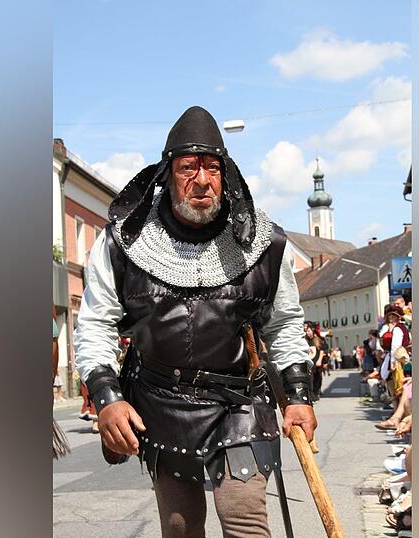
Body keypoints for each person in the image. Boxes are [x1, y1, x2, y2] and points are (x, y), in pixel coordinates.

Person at [73, 106, 316, 538]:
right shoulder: (121, 243)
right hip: (161, 403)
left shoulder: (265, 244)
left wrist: (298, 395)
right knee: (180, 527)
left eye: (212, 168)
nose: (202, 180)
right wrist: (107, 398)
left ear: (226, 175)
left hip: (238, 402)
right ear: (168, 175)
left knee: (244, 519)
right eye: (189, 167)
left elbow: (283, 324)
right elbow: (95, 324)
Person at [304, 322, 326, 400]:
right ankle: (312, 395)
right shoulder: (305, 341)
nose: (307, 333)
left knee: (317, 378)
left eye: (309, 331)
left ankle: (316, 393)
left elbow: (322, 350)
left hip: (316, 362)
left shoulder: (317, 340)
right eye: (306, 331)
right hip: (309, 363)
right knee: (310, 379)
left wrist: (320, 360)